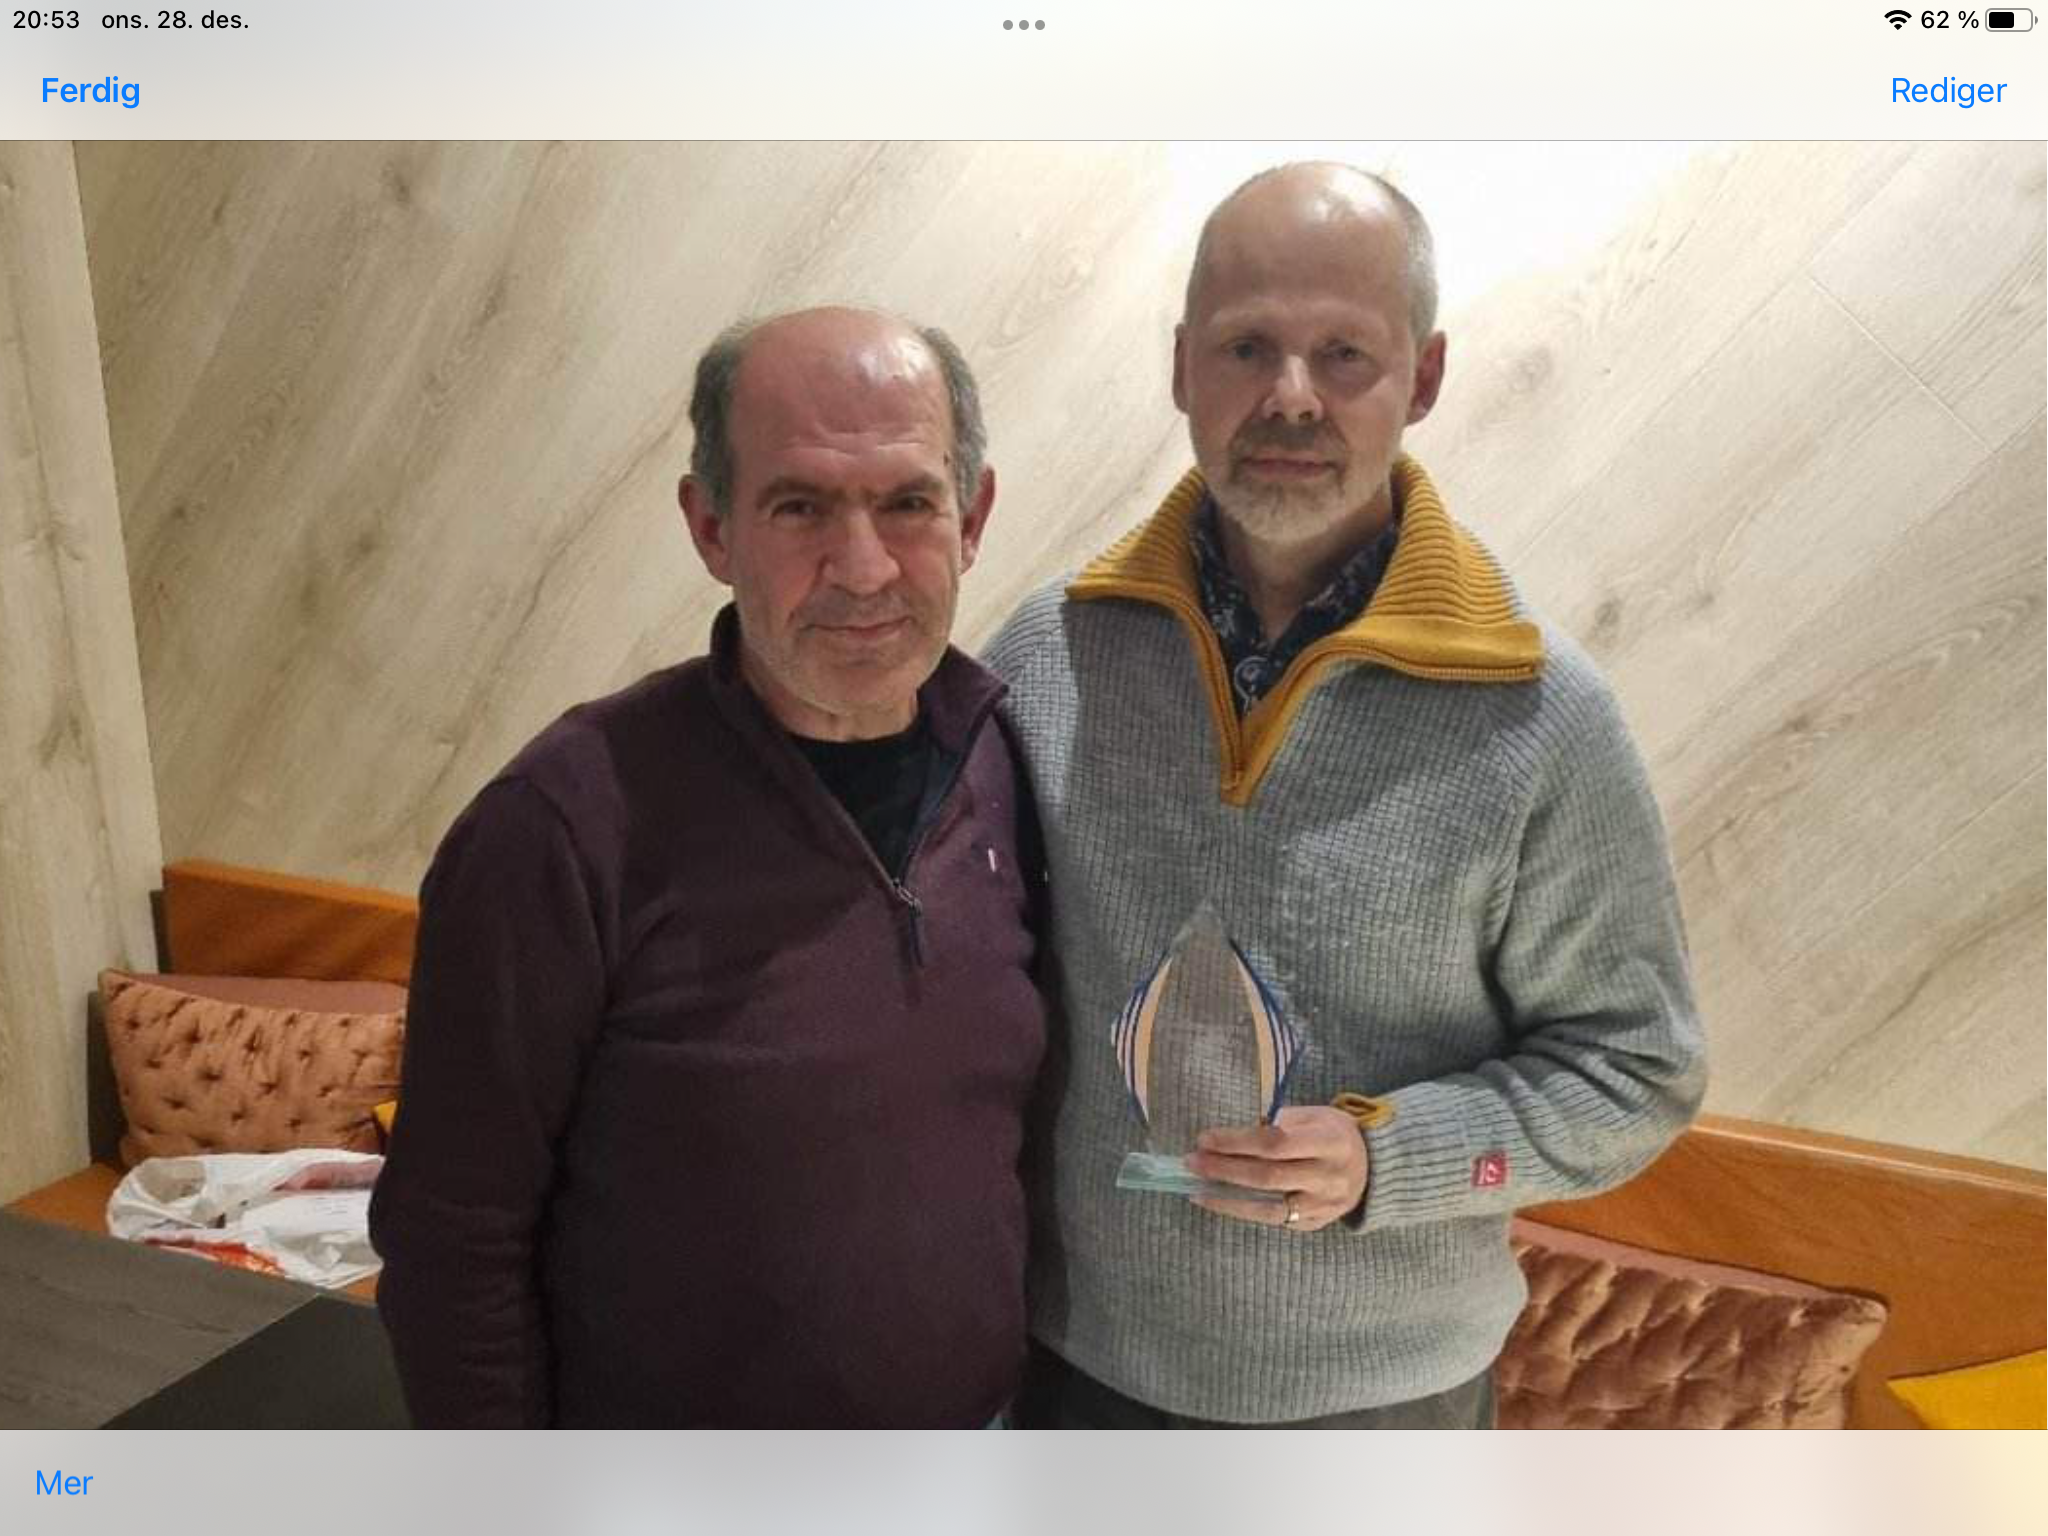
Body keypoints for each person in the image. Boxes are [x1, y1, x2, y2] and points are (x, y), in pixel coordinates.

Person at [988, 163, 1707, 1429]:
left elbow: (1634, 1072)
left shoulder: (1539, 715)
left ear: (1421, 378)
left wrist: (1388, 1156)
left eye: (1343, 354)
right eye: (1244, 347)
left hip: (1380, 1410)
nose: (1288, 395)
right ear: (1181, 369)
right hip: (1071, 1366)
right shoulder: (1046, 655)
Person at [370, 307, 1048, 1427]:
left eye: (908, 502)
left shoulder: (1005, 765)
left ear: (970, 518)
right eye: (800, 506)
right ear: (711, 528)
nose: (864, 566)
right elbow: (452, 1238)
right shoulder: (560, 827)